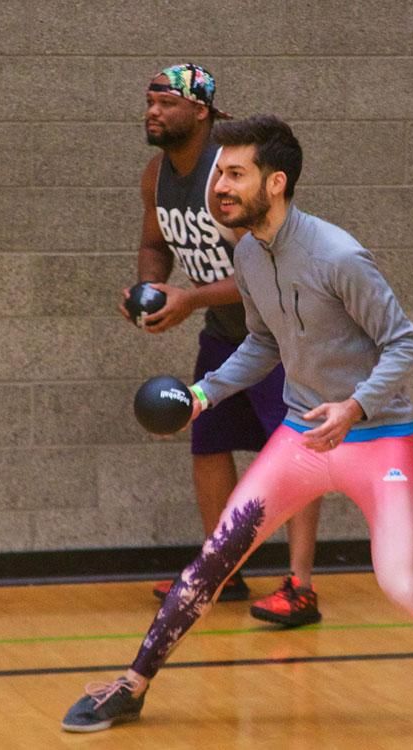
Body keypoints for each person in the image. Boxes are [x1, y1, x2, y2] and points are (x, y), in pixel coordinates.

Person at [63, 114, 413, 733]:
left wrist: (354, 406)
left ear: (275, 183)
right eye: (219, 173)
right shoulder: (249, 253)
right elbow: (262, 341)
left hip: (377, 439)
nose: (220, 186)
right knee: (213, 561)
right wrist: (202, 395)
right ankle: (132, 684)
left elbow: (404, 344)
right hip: (302, 438)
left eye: (235, 174)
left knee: (401, 584)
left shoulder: (339, 255)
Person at [128, 63, 322, 624]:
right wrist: (148, 290)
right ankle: (222, 571)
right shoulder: (155, 175)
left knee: (294, 453)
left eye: (166, 103)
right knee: (208, 443)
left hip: (283, 333)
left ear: (200, 112)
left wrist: (188, 299)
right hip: (225, 333)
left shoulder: (229, 177)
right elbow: (154, 244)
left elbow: (265, 272)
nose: (152, 112)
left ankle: (300, 585)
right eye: (149, 102)